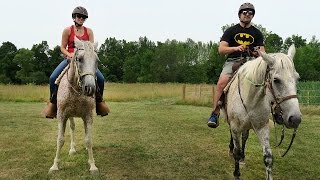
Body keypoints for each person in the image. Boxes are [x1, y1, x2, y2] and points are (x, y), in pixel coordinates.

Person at [42, 6, 110, 118]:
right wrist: (70, 55)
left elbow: (91, 49)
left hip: (85, 61)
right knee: (52, 78)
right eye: (79, 16)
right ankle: (53, 104)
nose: (81, 18)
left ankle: (99, 103)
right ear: (74, 17)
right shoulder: (67, 30)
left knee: (101, 79)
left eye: (83, 17)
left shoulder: (89, 31)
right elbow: (62, 47)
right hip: (69, 60)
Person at [207, 2, 265, 128]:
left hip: (251, 62)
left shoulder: (257, 33)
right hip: (233, 61)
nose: (247, 14)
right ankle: (215, 113)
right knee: (221, 83)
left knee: (268, 80)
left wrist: (257, 53)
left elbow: (263, 52)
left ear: (252, 16)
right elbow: (221, 49)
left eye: (250, 13)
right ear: (240, 15)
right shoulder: (231, 31)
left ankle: (274, 111)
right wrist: (236, 48)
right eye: (244, 12)